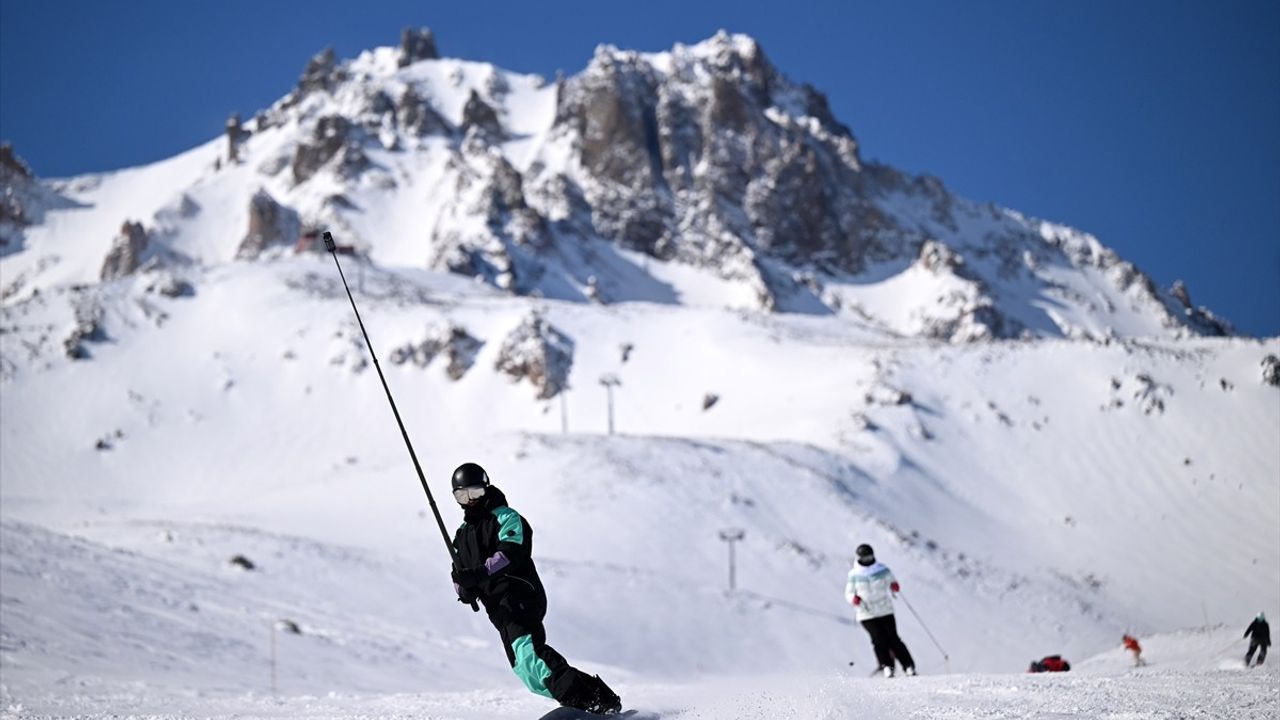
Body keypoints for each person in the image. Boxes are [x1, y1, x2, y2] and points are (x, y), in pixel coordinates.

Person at [448, 462, 622, 713]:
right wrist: (464, 589)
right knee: (526, 671)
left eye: (475, 493)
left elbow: (511, 551)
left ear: (486, 489)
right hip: (499, 611)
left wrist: (479, 574)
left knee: (531, 657)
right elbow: (458, 577)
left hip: (519, 595)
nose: (470, 500)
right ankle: (598, 699)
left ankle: (588, 702)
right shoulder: (461, 536)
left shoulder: (505, 517)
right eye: (462, 495)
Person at [845, 543, 916, 677]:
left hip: (885, 610)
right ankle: (887, 667)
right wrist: (853, 598)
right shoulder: (854, 574)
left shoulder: (882, 570)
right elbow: (848, 593)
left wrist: (894, 586)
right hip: (866, 613)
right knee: (878, 640)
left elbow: (892, 582)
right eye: (864, 558)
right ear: (859, 558)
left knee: (893, 639)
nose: (867, 560)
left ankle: (908, 666)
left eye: (869, 557)